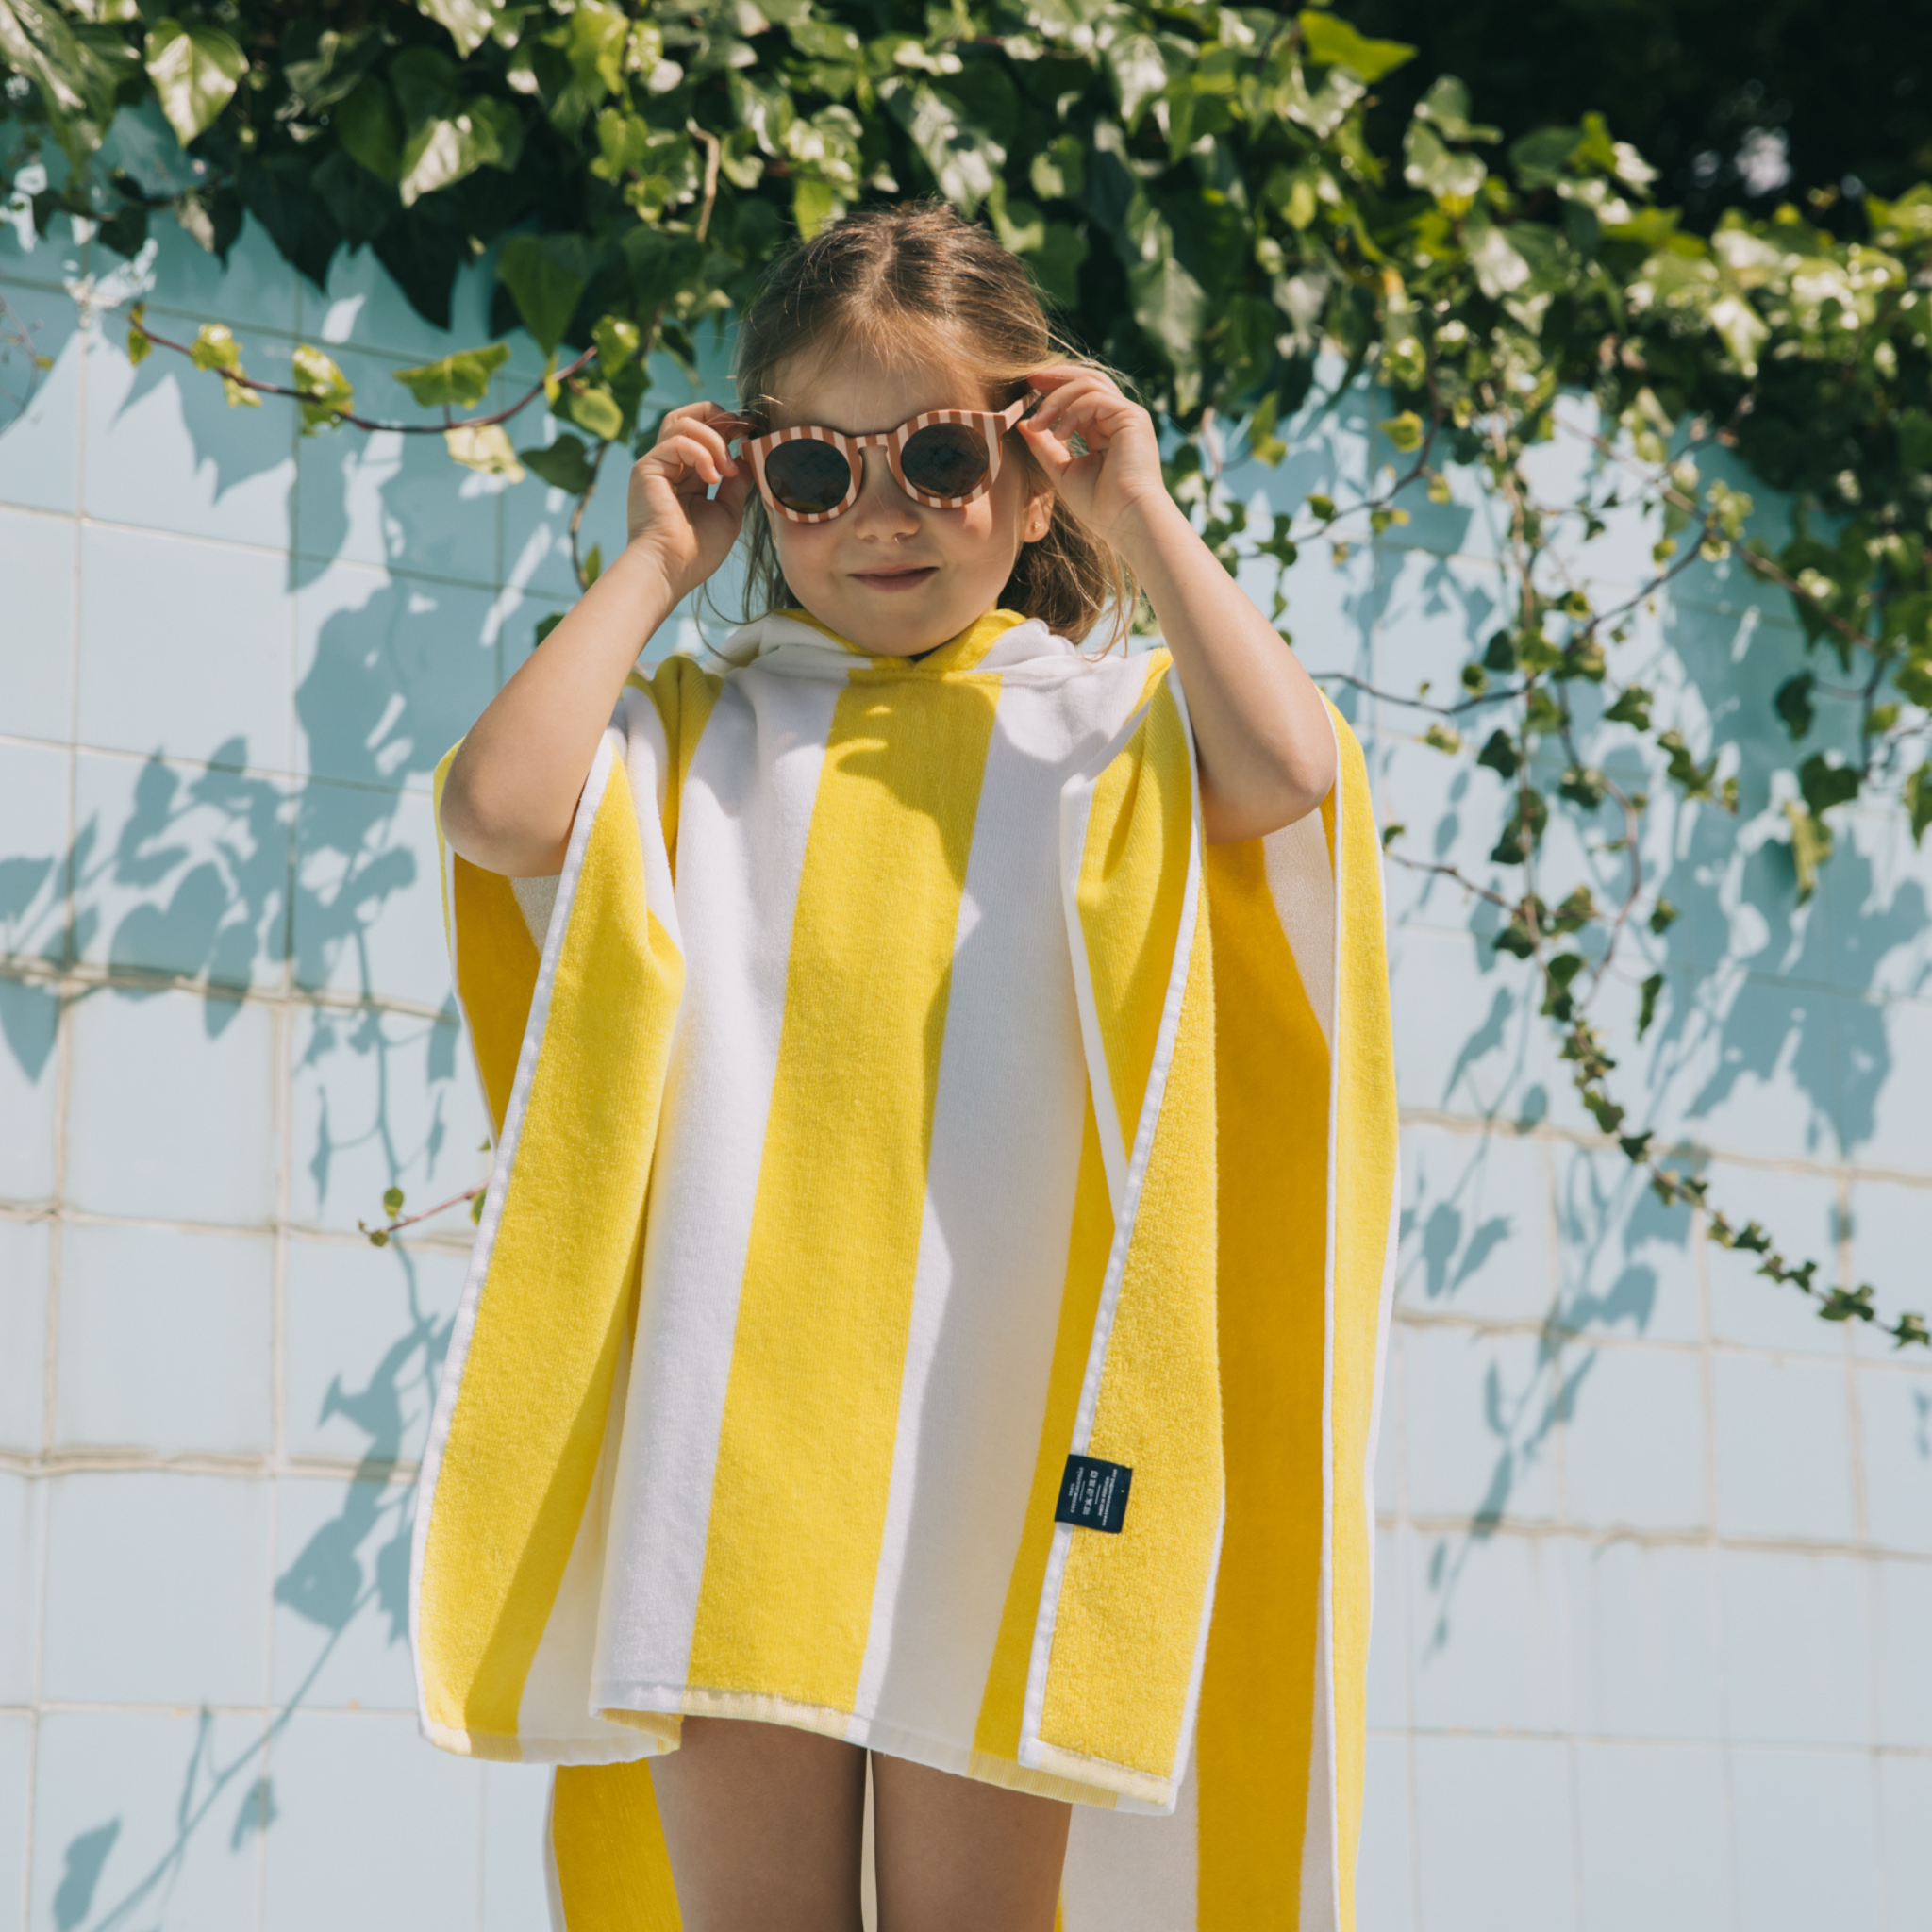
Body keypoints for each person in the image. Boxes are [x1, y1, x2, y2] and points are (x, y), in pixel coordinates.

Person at [419, 204, 1396, 1932]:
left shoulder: (1106, 736)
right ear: (752, 487)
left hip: (1003, 1449)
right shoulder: (692, 739)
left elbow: (1289, 772)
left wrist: (1143, 510)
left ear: (1030, 474)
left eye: (941, 453)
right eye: (814, 471)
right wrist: (656, 563)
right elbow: (497, 814)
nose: (880, 512)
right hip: (732, 1449)